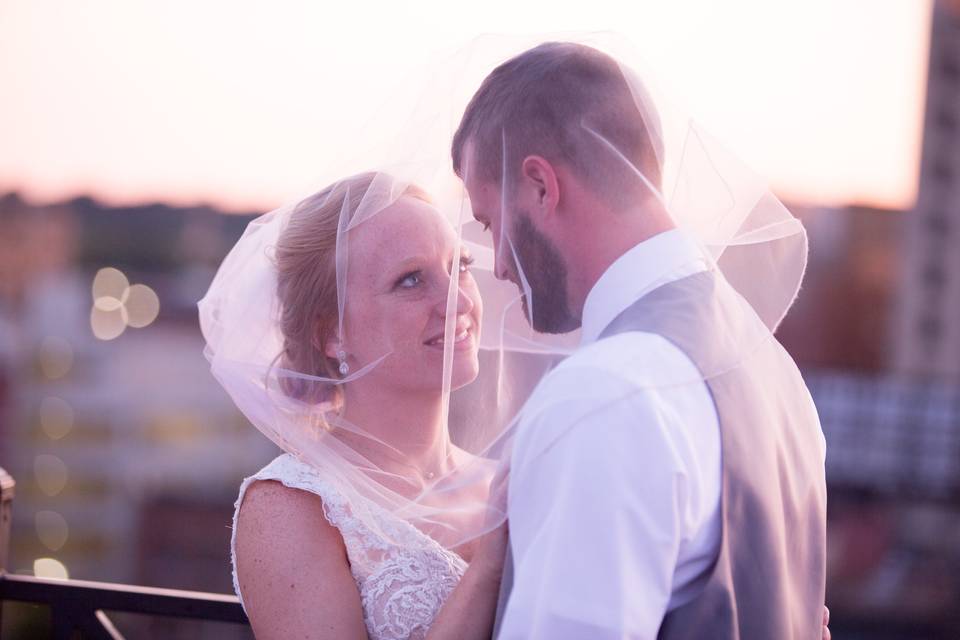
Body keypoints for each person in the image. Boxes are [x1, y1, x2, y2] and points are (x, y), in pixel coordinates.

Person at [450, 41, 829, 639]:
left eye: (491, 222)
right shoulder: (771, 369)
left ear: (541, 187)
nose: (495, 264)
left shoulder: (607, 392)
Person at [199, 172, 523, 640]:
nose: (456, 300)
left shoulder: (506, 481)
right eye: (411, 280)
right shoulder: (292, 505)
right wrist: (489, 569)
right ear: (331, 333)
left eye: (461, 265)